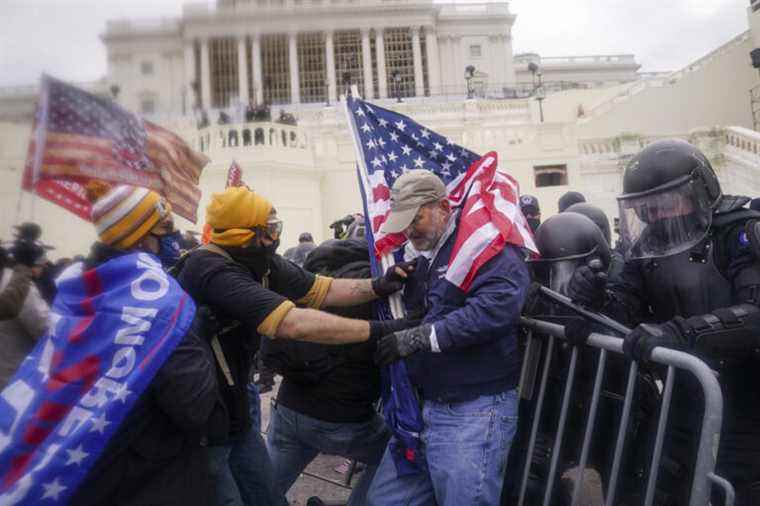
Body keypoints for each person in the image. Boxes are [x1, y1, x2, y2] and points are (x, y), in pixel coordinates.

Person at [176, 186, 415, 506]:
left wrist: (376, 286)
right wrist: (383, 329)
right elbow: (292, 322)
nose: (274, 238)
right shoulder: (211, 270)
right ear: (242, 235)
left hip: (239, 408)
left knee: (268, 498)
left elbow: (321, 290)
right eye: (269, 230)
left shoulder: (260, 262)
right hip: (204, 413)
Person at [567, 139, 760, 505]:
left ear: (700, 190)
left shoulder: (739, 233)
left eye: (667, 202)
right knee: (662, 486)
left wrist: (682, 334)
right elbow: (626, 309)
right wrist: (594, 301)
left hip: (748, 399)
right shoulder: (643, 246)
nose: (657, 216)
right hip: (682, 396)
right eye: (647, 208)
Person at [40, 183, 220, 506]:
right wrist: (194, 330)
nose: (175, 237)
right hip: (151, 473)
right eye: (166, 229)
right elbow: (195, 406)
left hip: (84, 462)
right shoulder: (163, 305)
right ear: (138, 237)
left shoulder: (78, 289)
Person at [367, 170, 530, 506]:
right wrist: (403, 289)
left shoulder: (486, 244)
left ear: (443, 207)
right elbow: (435, 309)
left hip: (473, 408)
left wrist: (422, 337)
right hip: (431, 406)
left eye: (417, 219)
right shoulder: (435, 254)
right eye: (405, 222)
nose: (410, 231)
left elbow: (495, 309)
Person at [265, 238, 392, 506]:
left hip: (289, 409)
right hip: (345, 419)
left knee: (261, 490)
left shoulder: (309, 281)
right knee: (398, 455)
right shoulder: (373, 289)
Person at [0, 236, 49, 389]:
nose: (43, 267)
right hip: (13, 373)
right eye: (41, 264)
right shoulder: (21, 286)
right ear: (32, 264)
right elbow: (43, 327)